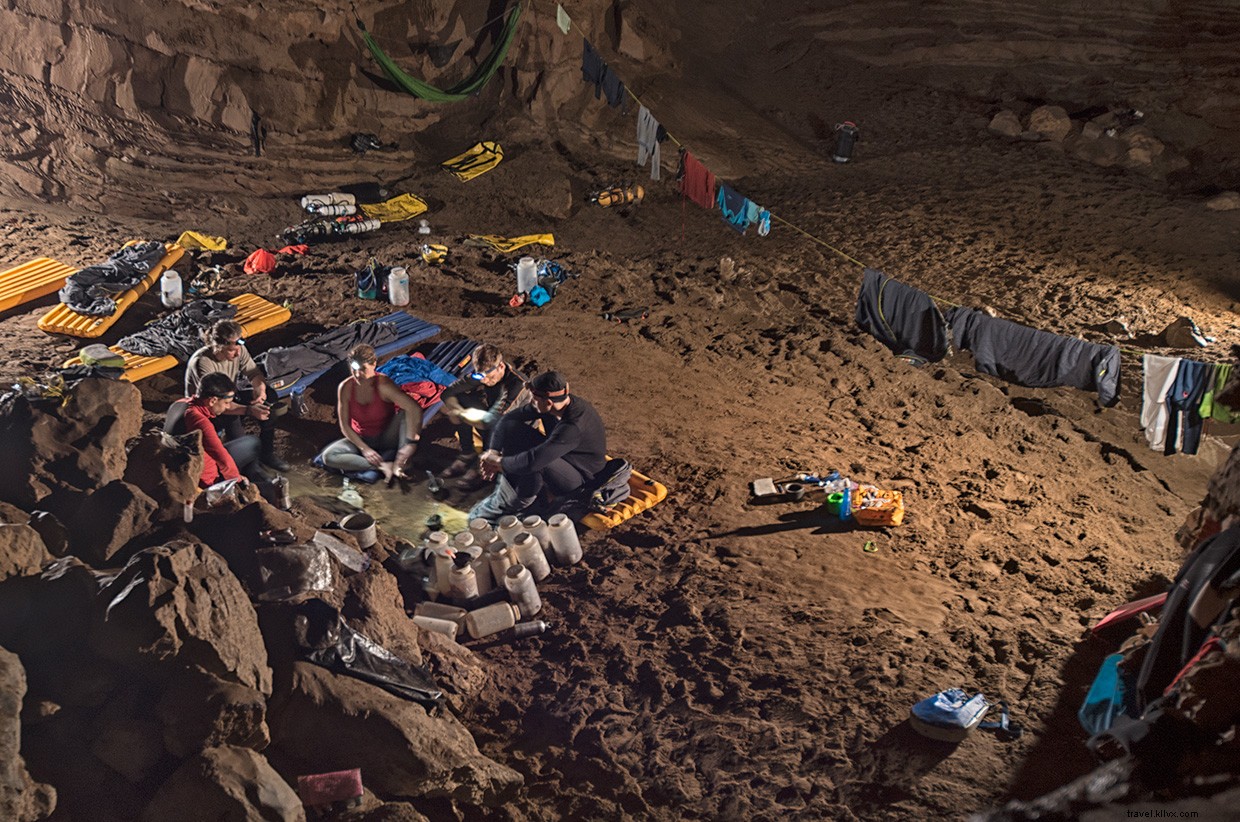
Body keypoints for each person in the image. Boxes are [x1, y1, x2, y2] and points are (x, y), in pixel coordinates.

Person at [471, 371, 607, 521]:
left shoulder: (573, 426)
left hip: (580, 478)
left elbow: (534, 461)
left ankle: (520, 505)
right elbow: (508, 419)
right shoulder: (552, 404)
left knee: (537, 463)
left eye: (534, 399)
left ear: (547, 402)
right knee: (513, 429)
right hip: (559, 455)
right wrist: (493, 452)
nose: (532, 403)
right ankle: (510, 490)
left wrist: (498, 462)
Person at [185, 319, 289, 471]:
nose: (238, 353)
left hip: (226, 397)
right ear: (218, 347)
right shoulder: (203, 362)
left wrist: (260, 389)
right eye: (232, 350)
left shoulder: (238, 349)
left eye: (239, 348)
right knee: (232, 418)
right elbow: (217, 402)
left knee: (270, 399)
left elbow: (253, 372)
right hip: (209, 407)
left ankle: (267, 453)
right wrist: (248, 410)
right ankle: (247, 467)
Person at [316, 344, 422, 482]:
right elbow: (345, 426)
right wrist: (364, 449)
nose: (357, 374)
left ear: (374, 364)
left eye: (362, 369)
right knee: (328, 456)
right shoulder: (346, 388)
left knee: (405, 414)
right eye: (354, 370)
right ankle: (383, 466)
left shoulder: (383, 385)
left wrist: (410, 444)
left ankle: (400, 463)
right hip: (361, 438)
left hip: (387, 436)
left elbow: (414, 408)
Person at [437, 344, 528, 490]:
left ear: (501, 367)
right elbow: (447, 393)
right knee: (460, 399)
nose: (485, 381)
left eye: (490, 377)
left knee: (494, 423)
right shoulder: (482, 374)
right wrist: (457, 409)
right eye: (481, 377)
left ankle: (483, 465)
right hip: (494, 419)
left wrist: (458, 414)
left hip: (518, 432)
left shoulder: (517, 385)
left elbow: (491, 422)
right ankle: (467, 453)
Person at [165, 372, 265, 488]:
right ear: (212, 401)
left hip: (174, 467)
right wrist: (237, 480)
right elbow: (222, 458)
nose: (228, 407)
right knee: (252, 443)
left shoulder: (179, 403)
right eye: (226, 403)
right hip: (203, 480)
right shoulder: (198, 420)